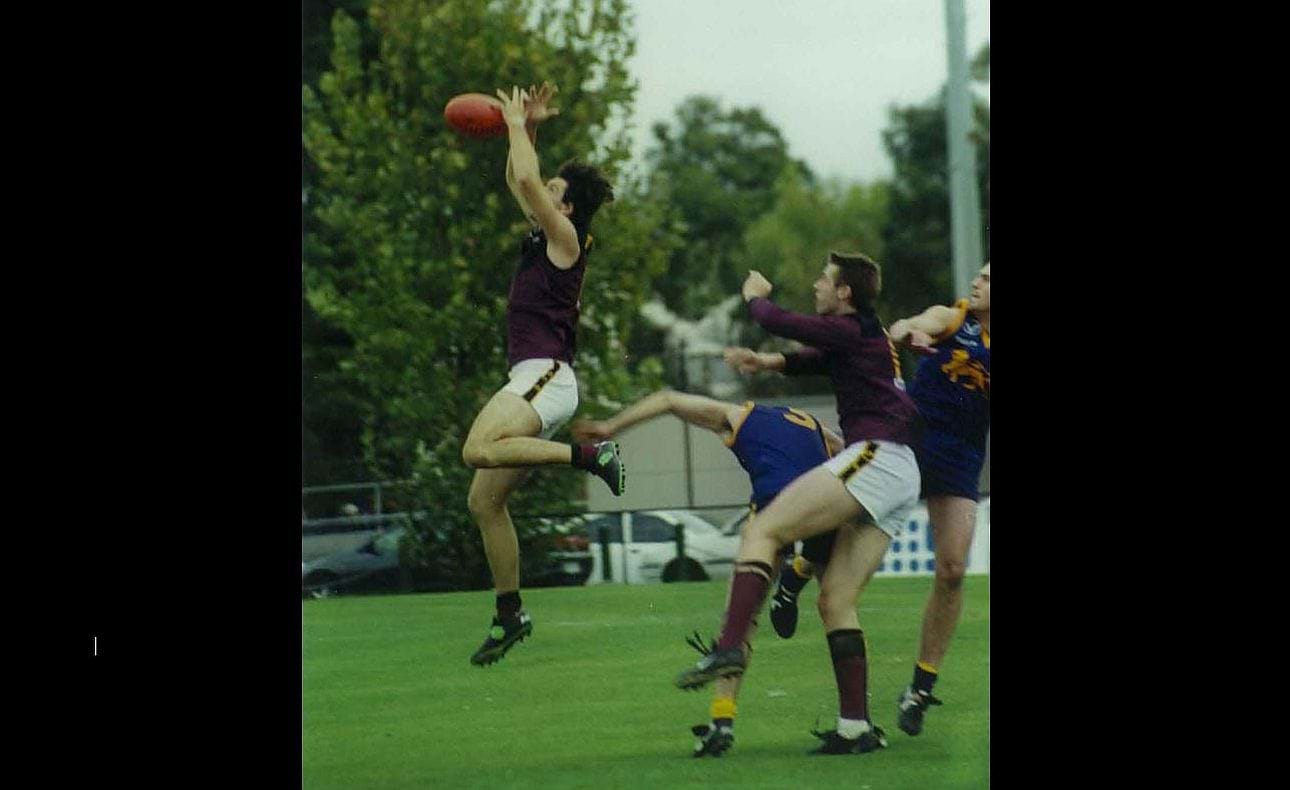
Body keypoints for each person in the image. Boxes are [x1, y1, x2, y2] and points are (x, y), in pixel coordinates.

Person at [675, 252, 921, 756]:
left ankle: (728, 648)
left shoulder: (849, 328)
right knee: (836, 600)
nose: (816, 286)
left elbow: (780, 320)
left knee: (765, 530)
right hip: (899, 471)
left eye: (824, 281)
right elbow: (816, 359)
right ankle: (856, 728)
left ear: (846, 292)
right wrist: (767, 362)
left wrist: (755, 298)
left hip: (877, 456)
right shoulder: (859, 334)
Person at [765, 263, 990, 738]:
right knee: (851, 515)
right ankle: (799, 573)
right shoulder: (959, 319)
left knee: (952, 569)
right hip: (909, 435)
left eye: (988, 278)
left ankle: (920, 687)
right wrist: (908, 331)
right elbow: (915, 323)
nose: (976, 282)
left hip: (962, 455)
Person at [570, 390, 845, 757]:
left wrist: (611, 425)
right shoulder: (811, 423)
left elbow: (668, 399)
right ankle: (855, 721)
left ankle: (722, 721)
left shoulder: (740, 416)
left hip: (775, 503)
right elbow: (842, 446)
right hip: (826, 503)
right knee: (839, 611)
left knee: (740, 620)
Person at [462, 83, 624, 667]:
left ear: (569, 208)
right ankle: (510, 615)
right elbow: (519, 181)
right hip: (537, 378)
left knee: (478, 448)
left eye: (556, 192)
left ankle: (591, 457)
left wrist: (510, 123)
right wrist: (526, 129)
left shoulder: (566, 239)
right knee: (484, 502)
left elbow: (529, 183)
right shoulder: (544, 233)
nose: (541, 195)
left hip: (546, 376)